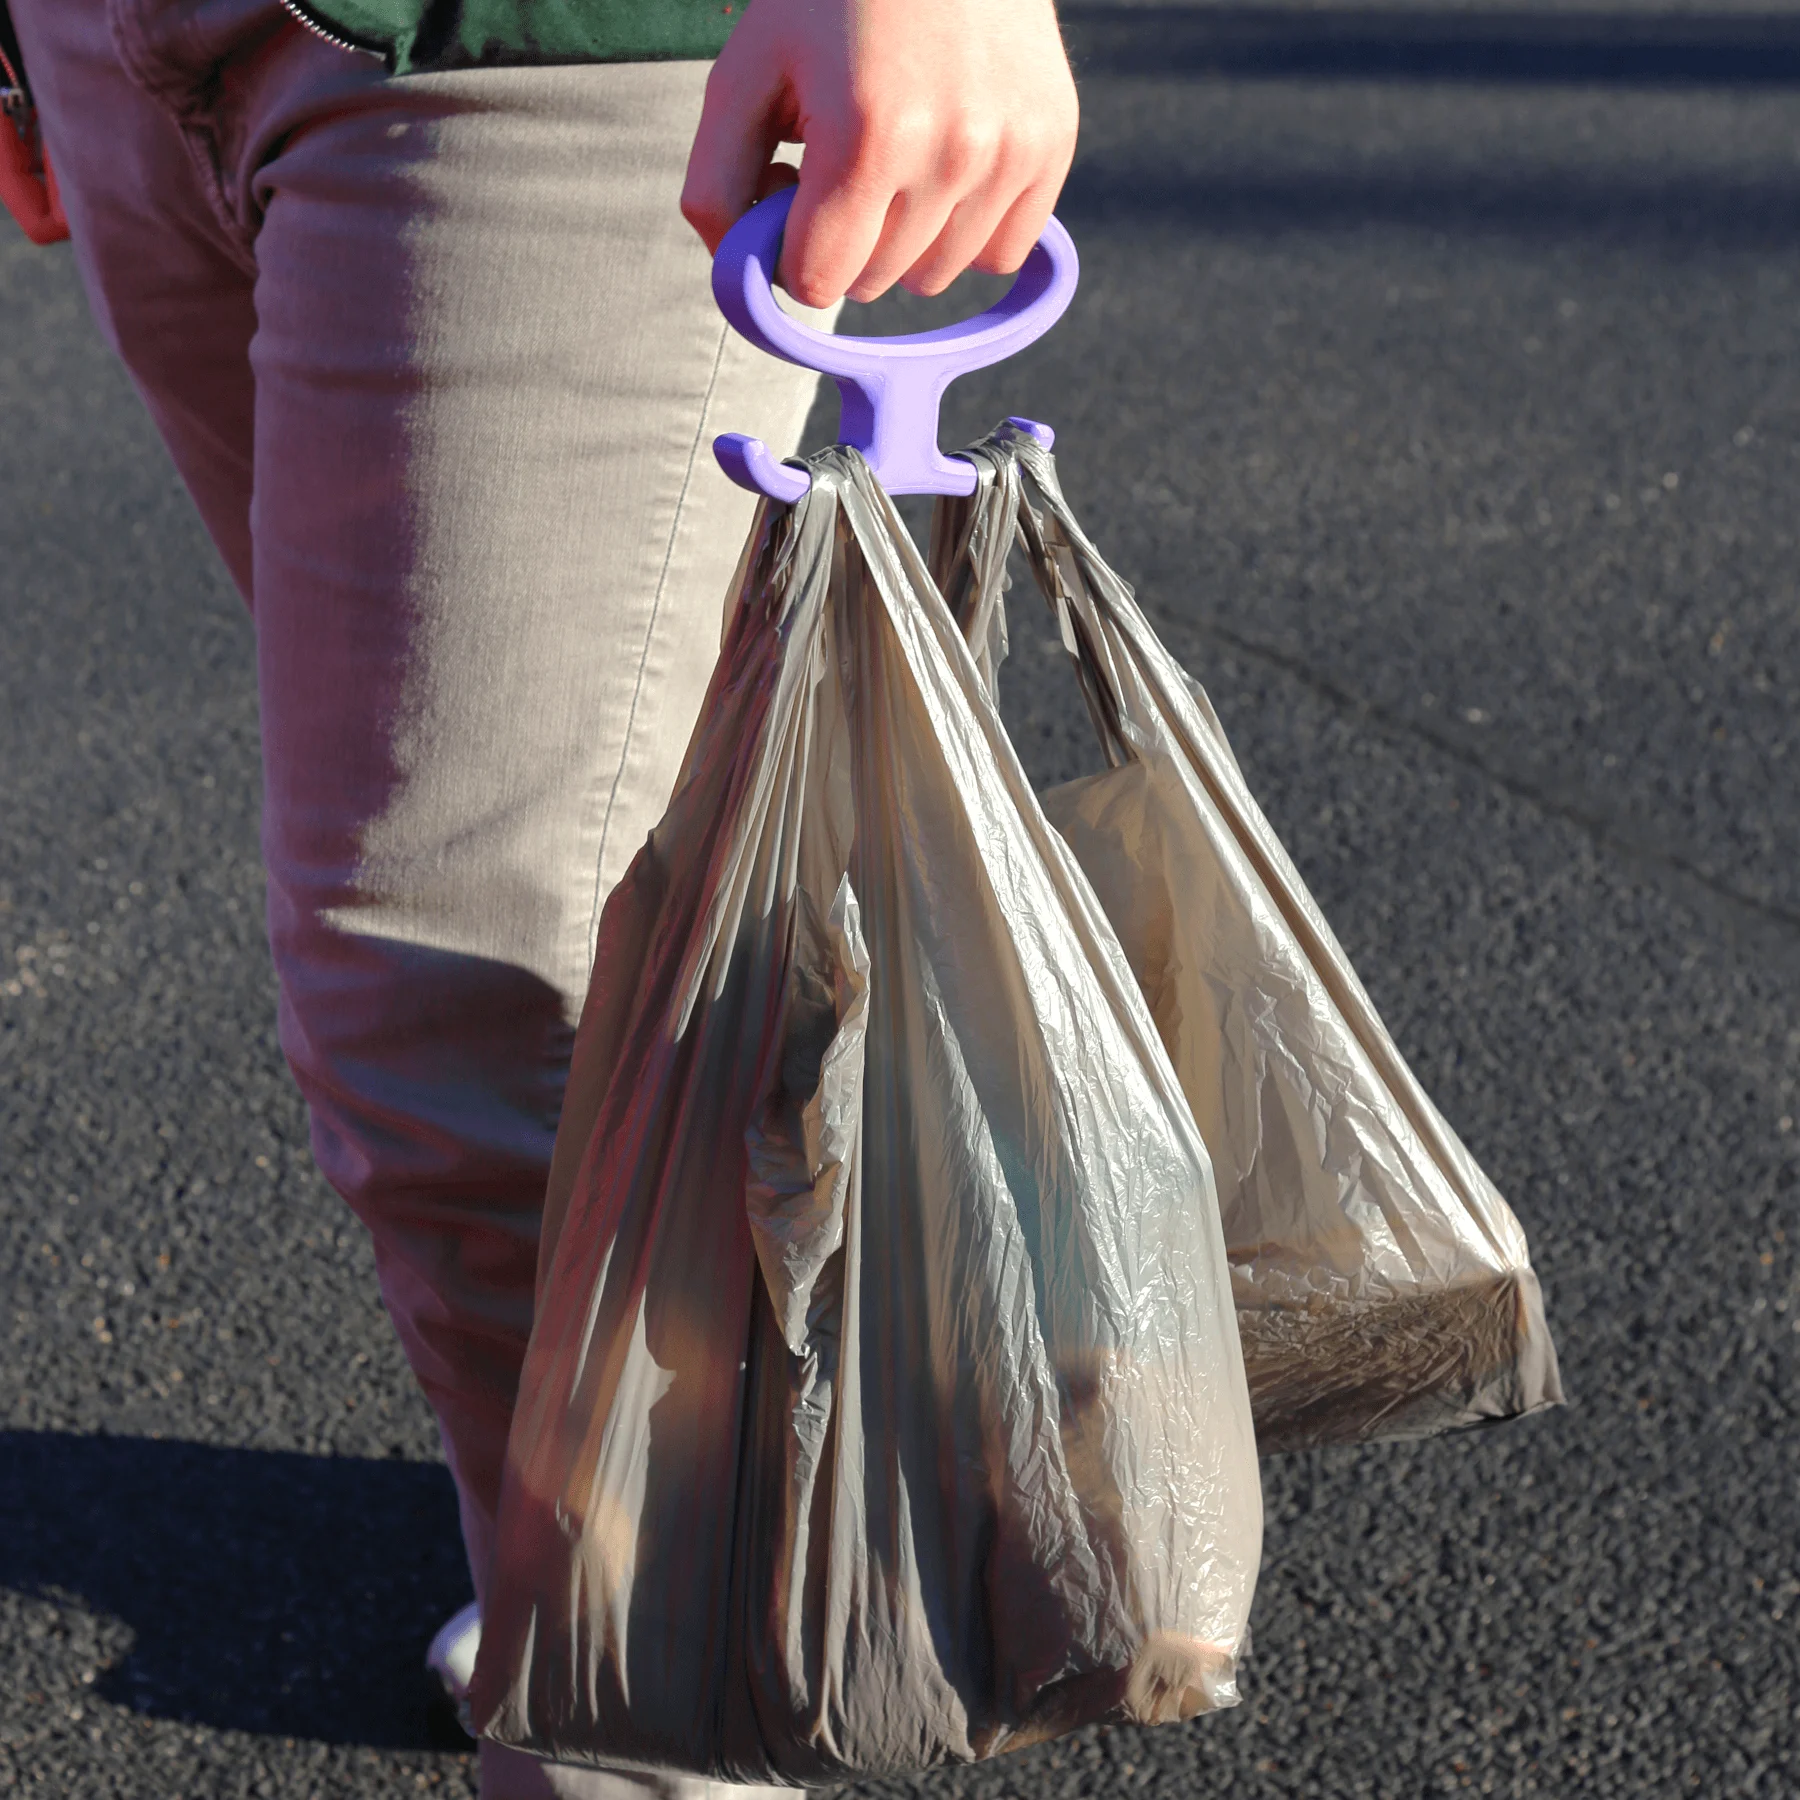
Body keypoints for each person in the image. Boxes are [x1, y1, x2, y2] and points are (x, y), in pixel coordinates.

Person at [4, 0, 1078, 1795]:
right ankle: (620, 1556)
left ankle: (667, 1693)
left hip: (549, 39)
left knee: (487, 1008)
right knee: (502, 883)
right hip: (129, 51)